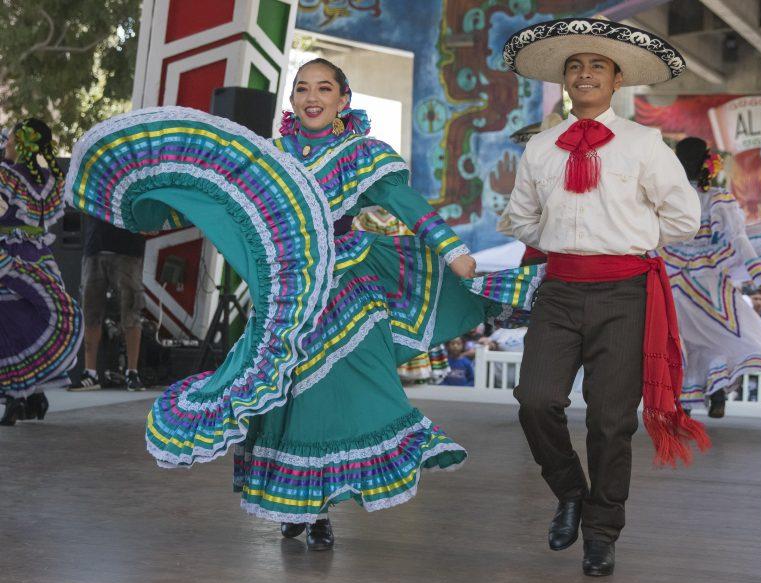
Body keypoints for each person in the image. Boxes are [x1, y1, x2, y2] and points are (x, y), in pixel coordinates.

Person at [66, 60, 538, 551]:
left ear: (343, 99)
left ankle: (320, 507)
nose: (312, 96)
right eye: (302, 88)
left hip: (347, 288)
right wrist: (161, 198)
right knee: (282, 397)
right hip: (286, 293)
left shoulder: (360, 154)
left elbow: (408, 205)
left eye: (324, 88)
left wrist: (455, 253)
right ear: (292, 100)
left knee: (337, 397)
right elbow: (225, 202)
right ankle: (297, 505)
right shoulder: (268, 159)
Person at [498, 18, 708, 577]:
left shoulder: (643, 144)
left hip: (625, 291)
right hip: (561, 289)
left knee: (612, 421)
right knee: (535, 398)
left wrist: (628, 239)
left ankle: (602, 529)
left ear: (617, 81)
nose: (583, 73)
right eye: (574, 66)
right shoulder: (540, 148)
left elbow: (685, 218)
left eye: (596, 66)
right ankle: (570, 491)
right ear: (565, 82)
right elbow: (519, 217)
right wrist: (564, 241)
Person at [656, 137, 761, 419]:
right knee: (718, 335)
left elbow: (650, 236)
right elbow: (737, 239)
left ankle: (688, 398)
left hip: (674, 276)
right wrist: (758, 275)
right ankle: (711, 393)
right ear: (709, 163)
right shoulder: (716, 198)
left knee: (685, 338)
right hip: (707, 278)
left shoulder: (667, 197)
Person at [0, 118, 83, 425]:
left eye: (9, 139)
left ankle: (16, 397)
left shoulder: (5, 175)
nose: (6, 142)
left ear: (20, 144)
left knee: (9, 329)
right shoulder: (52, 179)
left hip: (10, 258)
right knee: (33, 325)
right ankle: (33, 395)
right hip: (41, 259)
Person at [67, 215, 147, 392]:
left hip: (128, 247)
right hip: (95, 244)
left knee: (131, 310)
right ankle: (90, 372)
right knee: (90, 311)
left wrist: (150, 221)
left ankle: (133, 372)